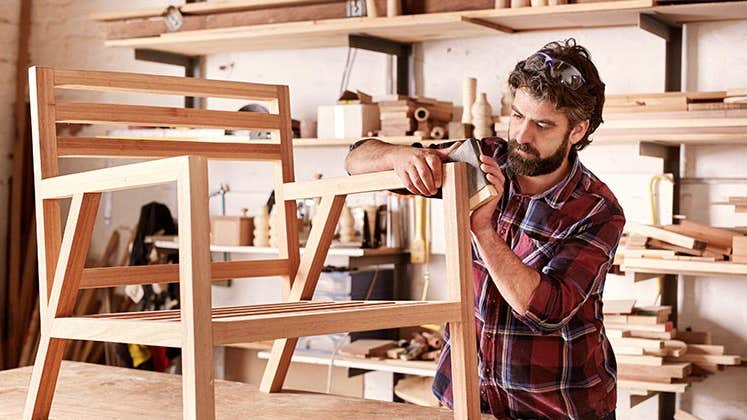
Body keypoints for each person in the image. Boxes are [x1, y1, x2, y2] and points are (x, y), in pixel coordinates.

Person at [344, 38, 624, 419]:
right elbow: (355, 160)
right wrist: (400, 157)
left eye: (542, 124)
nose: (522, 136)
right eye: (518, 116)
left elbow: (545, 310)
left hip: (554, 407)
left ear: (577, 131)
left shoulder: (597, 210)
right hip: (467, 400)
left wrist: (483, 230)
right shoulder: (481, 160)